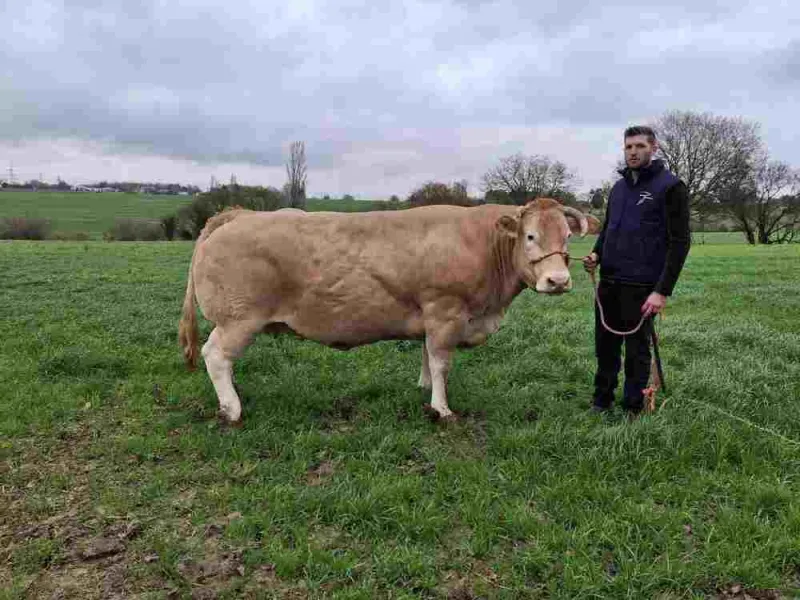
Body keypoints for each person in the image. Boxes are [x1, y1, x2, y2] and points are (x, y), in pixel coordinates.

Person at [583, 125, 691, 415]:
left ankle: (633, 406)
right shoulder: (618, 188)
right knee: (605, 347)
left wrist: (661, 291)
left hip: (642, 286)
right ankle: (601, 401)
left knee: (637, 351)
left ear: (654, 148)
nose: (633, 152)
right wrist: (596, 253)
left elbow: (680, 243)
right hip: (609, 282)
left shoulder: (670, 187)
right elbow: (608, 230)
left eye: (640, 146)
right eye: (629, 147)